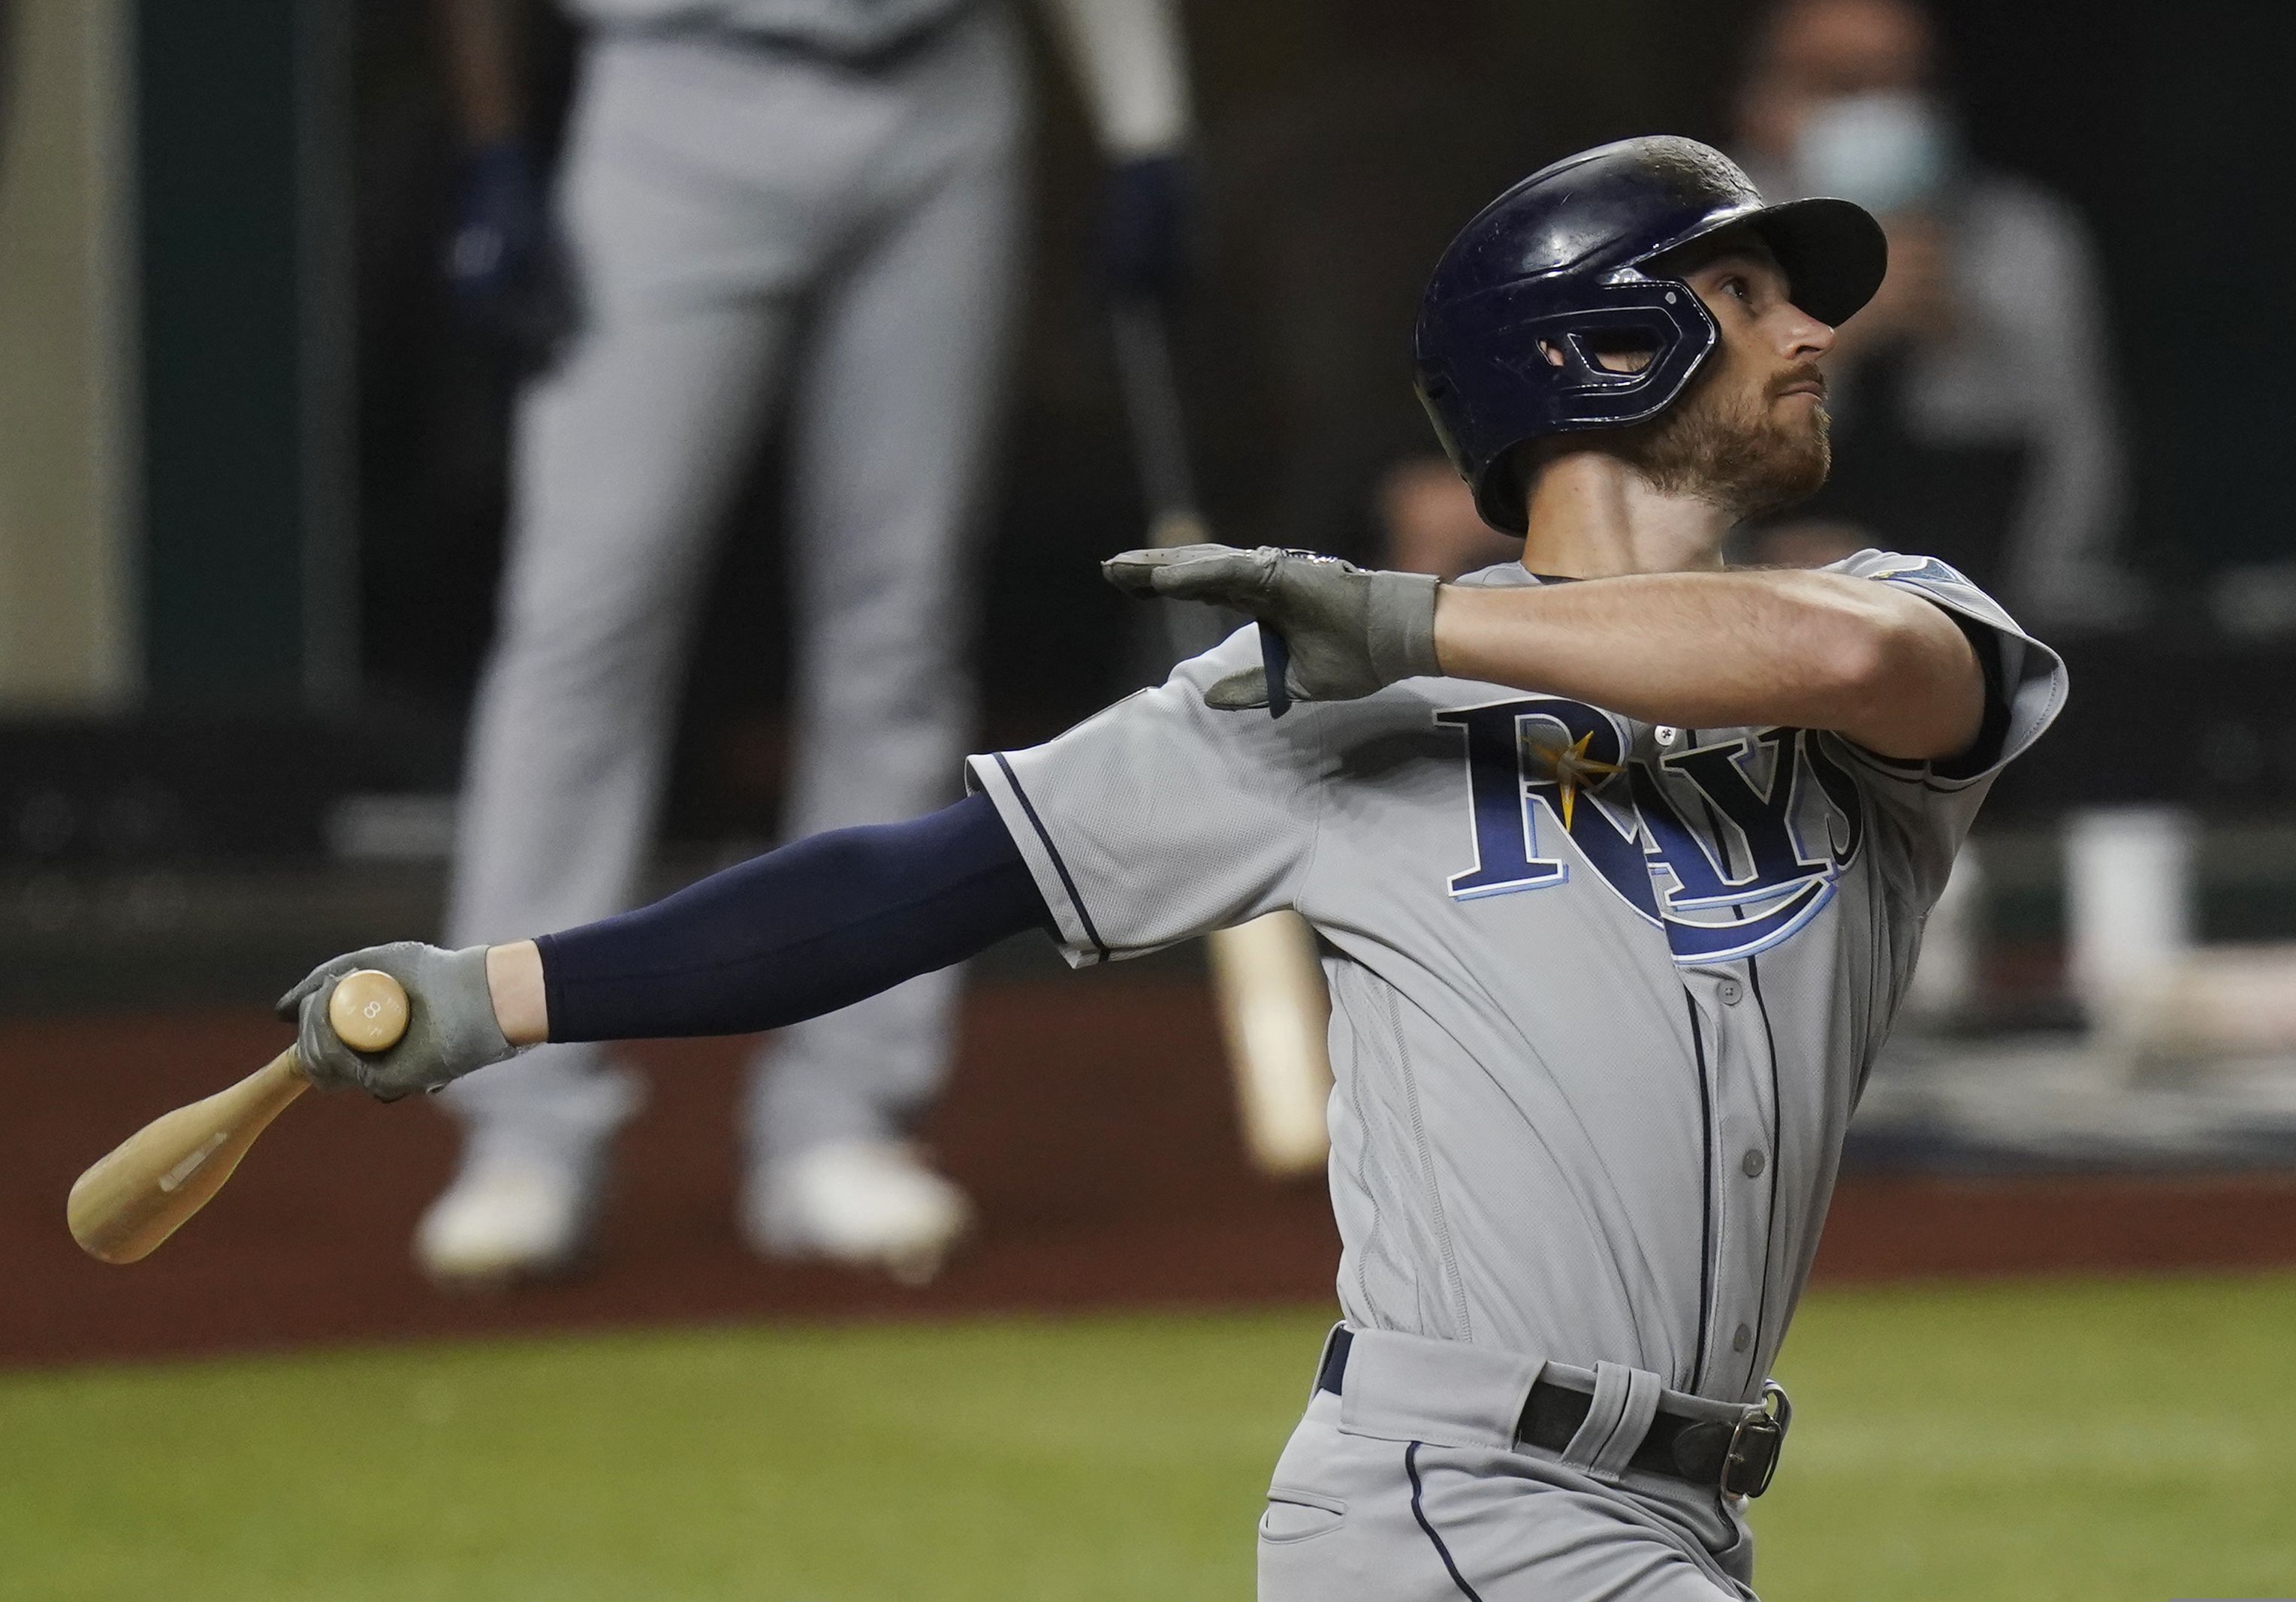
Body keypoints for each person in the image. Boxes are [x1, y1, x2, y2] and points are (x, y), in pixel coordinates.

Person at [283, 137, 2063, 1598]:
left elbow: (1843, 666)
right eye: (1741, 292)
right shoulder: (1302, 694)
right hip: (1456, 1505)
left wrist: (1416, 617)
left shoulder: (1889, 616)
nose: (1812, 326)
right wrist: (501, 989)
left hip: (1684, 1512)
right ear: (1595, 346)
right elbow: (919, 882)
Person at [416, 0, 1196, 1287]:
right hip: (675, 89)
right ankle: (524, 1127)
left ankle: (841, 1118)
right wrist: (492, 144)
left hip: (942, 88)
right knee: (585, 616)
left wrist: (1145, 125)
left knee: (899, 622)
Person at [1729, 0, 2129, 622]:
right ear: (1759, 103)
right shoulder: (1700, 248)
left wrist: (1964, 335)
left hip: (1980, 620)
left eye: (1906, 84)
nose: (1883, 111)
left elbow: (2078, 465)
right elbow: (1664, 469)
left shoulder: (2021, 239)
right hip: (1750, 621)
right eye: (1844, 85)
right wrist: (1841, 340)